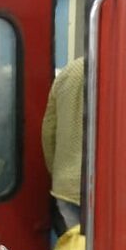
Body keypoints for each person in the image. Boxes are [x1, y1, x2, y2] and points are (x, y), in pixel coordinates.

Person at [41, 57, 85, 234]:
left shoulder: (68, 72)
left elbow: (48, 131)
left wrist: (58, 171)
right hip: (105, 189)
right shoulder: (122, 69)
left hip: (66, 186)